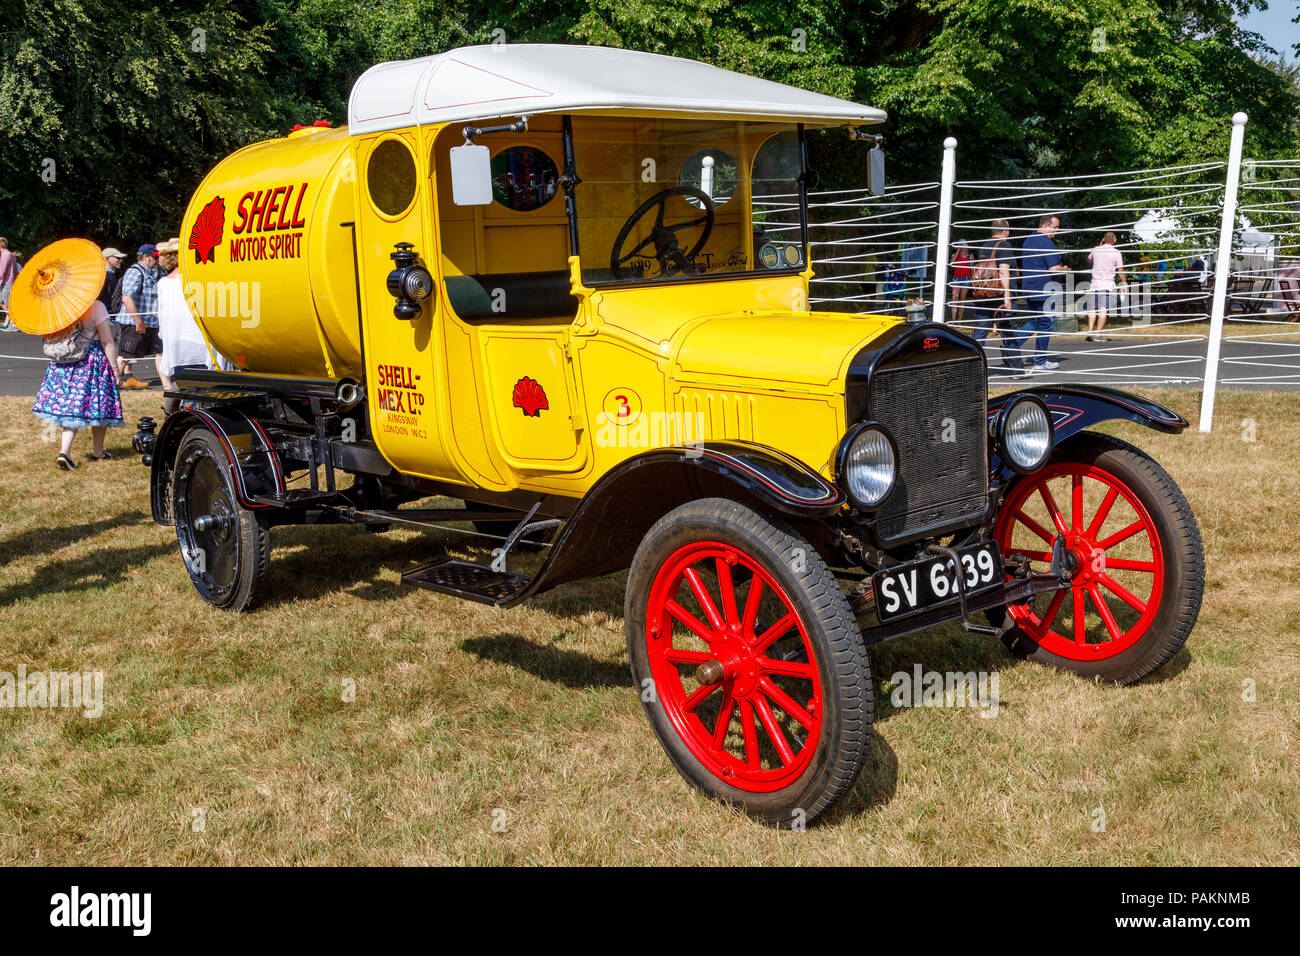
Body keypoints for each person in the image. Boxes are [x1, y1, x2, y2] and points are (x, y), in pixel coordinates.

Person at [32, 299, 125, 469]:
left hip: (63, 363)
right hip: (90, 361)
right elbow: (107, 341)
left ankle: (67, 451)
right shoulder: (96, 306)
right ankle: (92, 452)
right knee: (99, 406)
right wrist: (115, 369)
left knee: (71, 409)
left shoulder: (59, 304)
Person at [155, 237, 218, 404]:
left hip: (177, 345)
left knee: (186, 389)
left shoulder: (163, 284)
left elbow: (163, 316)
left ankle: (189, 416)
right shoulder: (199, 280)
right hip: (200, 343)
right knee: (206, 392)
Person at [1013, 214, 1069, 373]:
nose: (1057, 231)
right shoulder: (1046, 242)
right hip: (1045, 289)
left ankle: (1012, 344)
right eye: (1055, 227)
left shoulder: (1028, 241)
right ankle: (1040, 360)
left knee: (1037, 321)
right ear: (1045, 226)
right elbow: (1053, 268)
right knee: (1046, 323)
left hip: (1029, 288)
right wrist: (1064, 269)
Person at [968, 219, 1023, 370]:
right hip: (999, 297)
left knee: (979, 333)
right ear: (1005, 231)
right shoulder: (1004, 246)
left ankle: (971, 368)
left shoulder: (984, 247)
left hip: (983, 295)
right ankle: (1017, 368)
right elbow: (1004, 271)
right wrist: (1008, 296)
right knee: (1009, 332)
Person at [114, 243, 162, 389]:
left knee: (156, 352)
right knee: (125, 355)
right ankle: (111, 384)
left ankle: (166, 386)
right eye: (155, 257)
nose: (157, 260)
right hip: (133, 322)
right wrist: (138, 320)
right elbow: (127, 298)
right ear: (146, 257)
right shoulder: (135, 272)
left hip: (151, 322)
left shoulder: (154, 271)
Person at [1086, 232, 1126, 342]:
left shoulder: (1095, 250)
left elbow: (1089, 259)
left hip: (1094, 284)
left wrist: (1100, 244)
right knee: (1103, 309)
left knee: (1093, 309)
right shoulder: (1116, 253)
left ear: (1104, 239)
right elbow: (1120, 269)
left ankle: (1089, 332)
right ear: (1115, 240)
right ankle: (1097, 334)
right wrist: (1124, 282)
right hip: (1107, 284)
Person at [97, 246, 128, 314]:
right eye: (118, 258)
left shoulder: (111, 274)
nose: (121, 261)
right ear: (107, 259)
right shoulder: (103, 276)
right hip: (105, 314)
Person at [950, 239, 972, 322]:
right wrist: (958, 251)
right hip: (956, 278)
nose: (962, 248)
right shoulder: (955, 255)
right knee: (954, 298)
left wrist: (970, 260)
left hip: (966, 279)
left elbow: (973, 267)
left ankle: (959, 320)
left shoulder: (970, 255)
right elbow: (951, 263)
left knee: (962, 300)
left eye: (962, 246)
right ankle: (953, 320)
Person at [0, 238, 18, 331]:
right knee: (3, 302)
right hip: (7, 282)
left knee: (7, 303)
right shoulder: (8, 254)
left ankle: (14, 324)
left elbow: (1, 271)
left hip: (7, 283)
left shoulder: (6, 255)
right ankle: (8, 322)